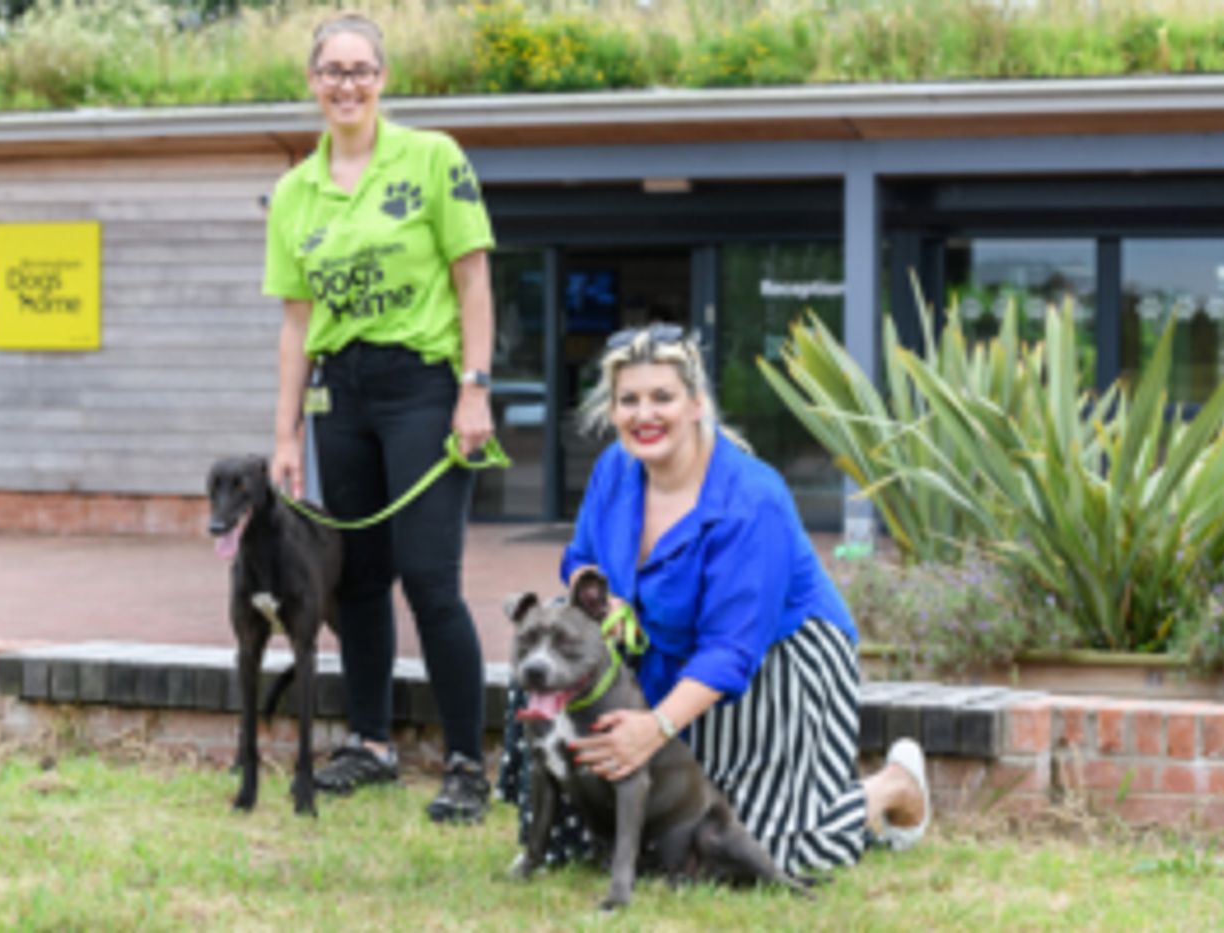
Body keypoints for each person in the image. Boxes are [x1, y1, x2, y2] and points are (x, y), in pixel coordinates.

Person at [499, 323, 930, 874]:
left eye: (662, 397)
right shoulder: (614, 470)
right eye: (628, 400)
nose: (643, 414)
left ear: (697, 403)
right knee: (635, 834)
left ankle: (894, 786)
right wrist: (602, 601)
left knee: (760, 855)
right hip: (662, 652)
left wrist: (653, 731)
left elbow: (731, 650)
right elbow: (579, 557)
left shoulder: (751, 499)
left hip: (773, 657)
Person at [263, 13, 497, 823]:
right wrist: (286, 433)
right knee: (357, 581)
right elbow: (296, 323)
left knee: (431, 579)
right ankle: (371, 744)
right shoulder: (296, 191)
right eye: (332, 70)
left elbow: (473, 280)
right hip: (341, 396)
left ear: (383, 79)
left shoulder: (433, 158)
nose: (347, 84)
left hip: (423, 388)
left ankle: (468, 760)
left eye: (361, 69)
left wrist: (474, 387)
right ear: (312, 81)